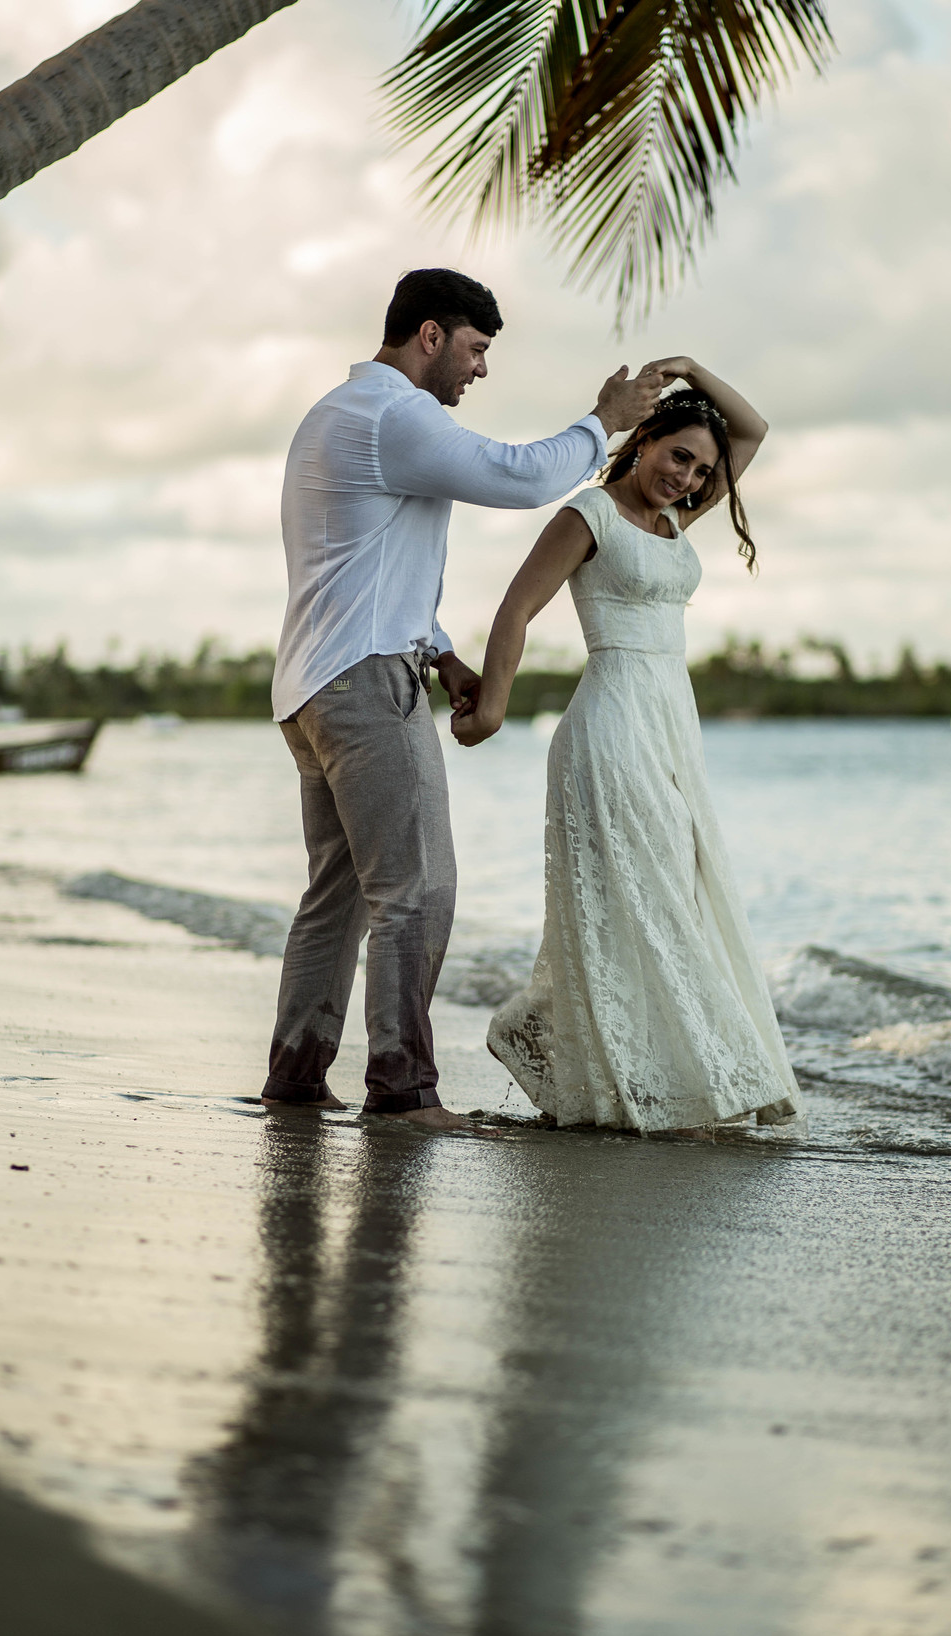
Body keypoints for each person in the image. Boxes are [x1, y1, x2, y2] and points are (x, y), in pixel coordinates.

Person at [261, 268, 666, 1129]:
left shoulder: (335, 415)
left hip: (313, 683)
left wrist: (444, 656)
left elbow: (368, 564)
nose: (480, 371)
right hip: (366, 684)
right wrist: (607, 422)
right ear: (431, 336)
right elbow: (520, 478)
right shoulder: (393, 415)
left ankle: (295, 1078)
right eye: (476, 350)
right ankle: (401, 1093)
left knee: (335, 897)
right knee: (418, 890)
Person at [452, 358, 804, 1136]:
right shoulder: (592, 515)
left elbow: (752, 430)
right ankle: (670, 1086)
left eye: (702, 470)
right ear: (642, 440)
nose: (688, 477)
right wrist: (493, 712)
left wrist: (690, 370)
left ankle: (554, 1038)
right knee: (642, 905)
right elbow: (516, 609)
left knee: (665, 897)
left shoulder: (676, 520)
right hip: (609, 730)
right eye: (678, 455)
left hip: (672, 731)